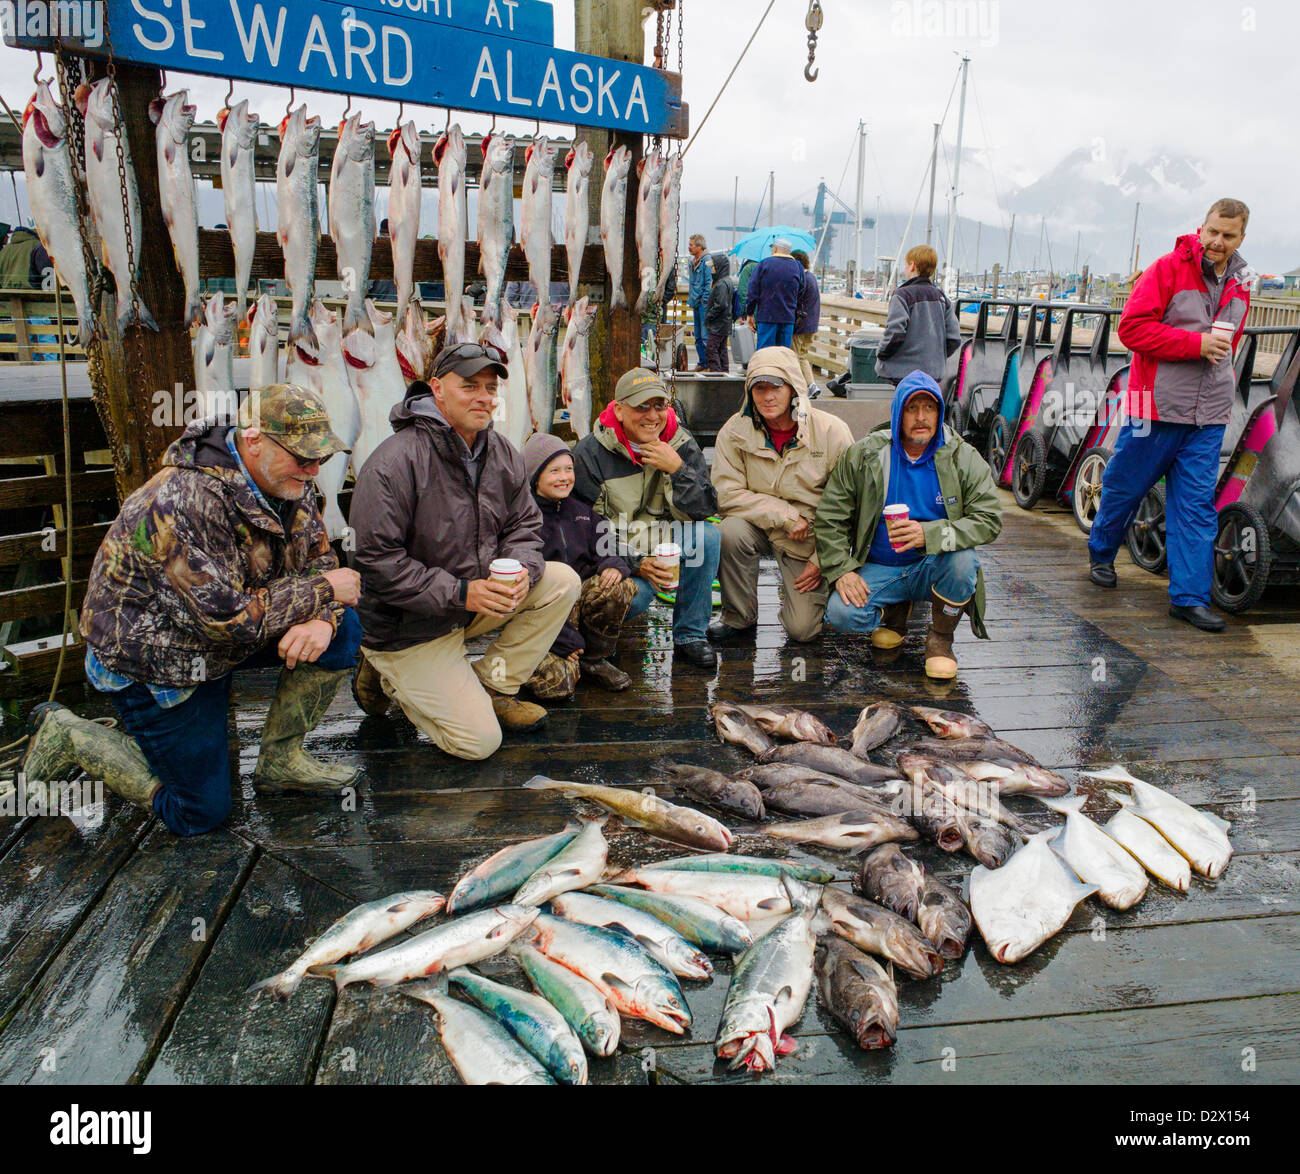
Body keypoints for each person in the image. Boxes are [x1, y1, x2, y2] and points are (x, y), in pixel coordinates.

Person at [22, 384, 363, 837]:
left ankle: (280, 762)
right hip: (159, 662)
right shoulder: (182, 500)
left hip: (229, 637)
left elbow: (320, 561)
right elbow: (226, 621)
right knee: (200, 813)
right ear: (254, 439)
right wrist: (324, 590)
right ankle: (71, 734)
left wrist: (323, 615)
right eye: (302, 456)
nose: (314, 468)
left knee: (344, 630)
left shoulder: (289, 483)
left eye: (320, 456)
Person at [349, 343, 581, 760]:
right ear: (437, 388)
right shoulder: (392, 462)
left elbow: (525, 526)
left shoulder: (502, 452)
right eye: (470, 386)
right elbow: (376, 564)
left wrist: (522, 571)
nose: (484, 398)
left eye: (490, 388)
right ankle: (385, 671)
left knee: (561, 581)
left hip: (468, 606)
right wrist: (461, 592)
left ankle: (492, 686)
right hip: (407, 624)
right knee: (478, 743)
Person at [1087, 199, 1253, 633]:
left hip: (1209, 414)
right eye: (1213, 232)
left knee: (1197, 507)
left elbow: (1229, 339)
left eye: (1228, 236)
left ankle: (1189, 598)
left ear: (1241, 238)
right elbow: (1132, 329)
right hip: (1154, 409)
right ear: (1201, 228)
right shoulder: (1165, 269)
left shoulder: (1241, 282)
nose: (1218, 242)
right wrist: (1194, 345)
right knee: (1125, 487)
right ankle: (1101, 553)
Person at [815, 370, 1002, 680]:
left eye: (929, 408)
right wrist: (842, 570)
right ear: (897, 413)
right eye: (911, 408)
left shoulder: (962, 457)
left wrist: (929, 534)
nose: (921, 417)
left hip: (934, 564)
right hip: (880, 566)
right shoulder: (865, 454)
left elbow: (990, 519)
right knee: (841, 614)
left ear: (940, 412)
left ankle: (941, 638)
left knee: (963, 563)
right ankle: (894, 611)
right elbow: (830, 517)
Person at [572, 367, 722, 670]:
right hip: (615, 549)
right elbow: (584, 530)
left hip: (662, 537)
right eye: (642, 406)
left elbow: (705, 509)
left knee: (707, 536)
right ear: (619, 409)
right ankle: (594, 640)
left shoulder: (680, 441)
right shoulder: (589, 452)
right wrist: (637, 562)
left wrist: (677, 469)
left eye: (659, 405)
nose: (652, 415)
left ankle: (690, 636)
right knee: (634, 598)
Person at [710, 347, 854, 643]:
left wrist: (823, 558)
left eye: (776, 386)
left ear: (794, 388)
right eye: (759, 388)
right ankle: (739, 617)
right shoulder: (733, 432)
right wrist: (785, 516)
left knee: (803, 631)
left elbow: (852, 505)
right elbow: (726, 494)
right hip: (760, 524)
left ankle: (816, 598)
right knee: (728, 531)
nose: (767, 396)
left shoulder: (832, 432)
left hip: (810, 537)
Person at [518, 433, 638, 699]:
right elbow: (526, 592)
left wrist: (613, 564)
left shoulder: (581, 510)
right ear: (535, 475)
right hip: (543, 611)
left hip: (578, 602)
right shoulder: (524, 518)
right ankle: (536, 659)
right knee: (559, 689)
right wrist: (563, 640)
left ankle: (593, 659)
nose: (564, 477)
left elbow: (605, 541)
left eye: (569, 469)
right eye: (554, 471)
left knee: (618, 586)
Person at [875, 245, 961, 384]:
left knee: (904, 405)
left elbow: (895, 333)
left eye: (906, 264)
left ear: (912, 265)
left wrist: (881, 354)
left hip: (901, 374)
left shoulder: (902, 295)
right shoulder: (941, 298)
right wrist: (937, 358)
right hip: (933, 374)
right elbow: (954, 338)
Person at [745, 239, 805, 350]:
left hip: (767, 317)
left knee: (765, 353)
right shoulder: (798, 267)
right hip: (787, 318)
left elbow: (752, 291)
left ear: (775, 249)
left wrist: (749, 314)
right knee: (783, 354)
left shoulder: (764, 264)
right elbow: (801, 292)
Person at [790, 249, 822, 389]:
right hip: (811, 324)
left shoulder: (802, 279)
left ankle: (805, 386)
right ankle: (811, 384)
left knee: (796, 356)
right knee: (803, 355)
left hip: (801, 325)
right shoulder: (811, 277)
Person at [703, 252, 736, 372]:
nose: (712, 269)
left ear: (719, 267)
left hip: (719, 324)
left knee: (711, 349)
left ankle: (716, 374)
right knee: (722, 350)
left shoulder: (721, 284)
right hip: (725, 323)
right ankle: (724, 372)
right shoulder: (727, 281)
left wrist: (709, 316)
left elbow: (721, 304)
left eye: (713, 266)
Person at [687, 234, 713, 369]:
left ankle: (708, 363)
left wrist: (705, 300)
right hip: (695, 302)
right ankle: (702, 362)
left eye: (691, 245)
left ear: (699, 246)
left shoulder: (707, 260)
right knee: (697, 335)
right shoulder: (693, 262)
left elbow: (709, 282)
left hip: (703, 304)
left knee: (704, 335)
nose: (689, 247)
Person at [0, 224, 51, 290]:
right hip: (33, 294)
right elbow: (46, 270)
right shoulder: (39, 247)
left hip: (6, 296)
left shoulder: (4, 251)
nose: (7, 237)